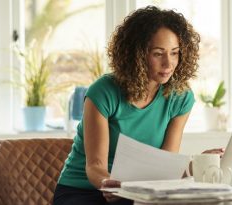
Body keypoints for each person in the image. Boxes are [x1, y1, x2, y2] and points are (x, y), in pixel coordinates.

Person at [53, 6, 223, 205]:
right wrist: (109, 183)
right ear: (137, 55)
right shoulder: (103, 92)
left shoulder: (181, 97)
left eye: (175, 53)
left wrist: (196, 164)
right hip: (83, 190)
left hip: (138, 192)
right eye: (158, 54)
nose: (169, 63)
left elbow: (164, 166)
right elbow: (95, 165)